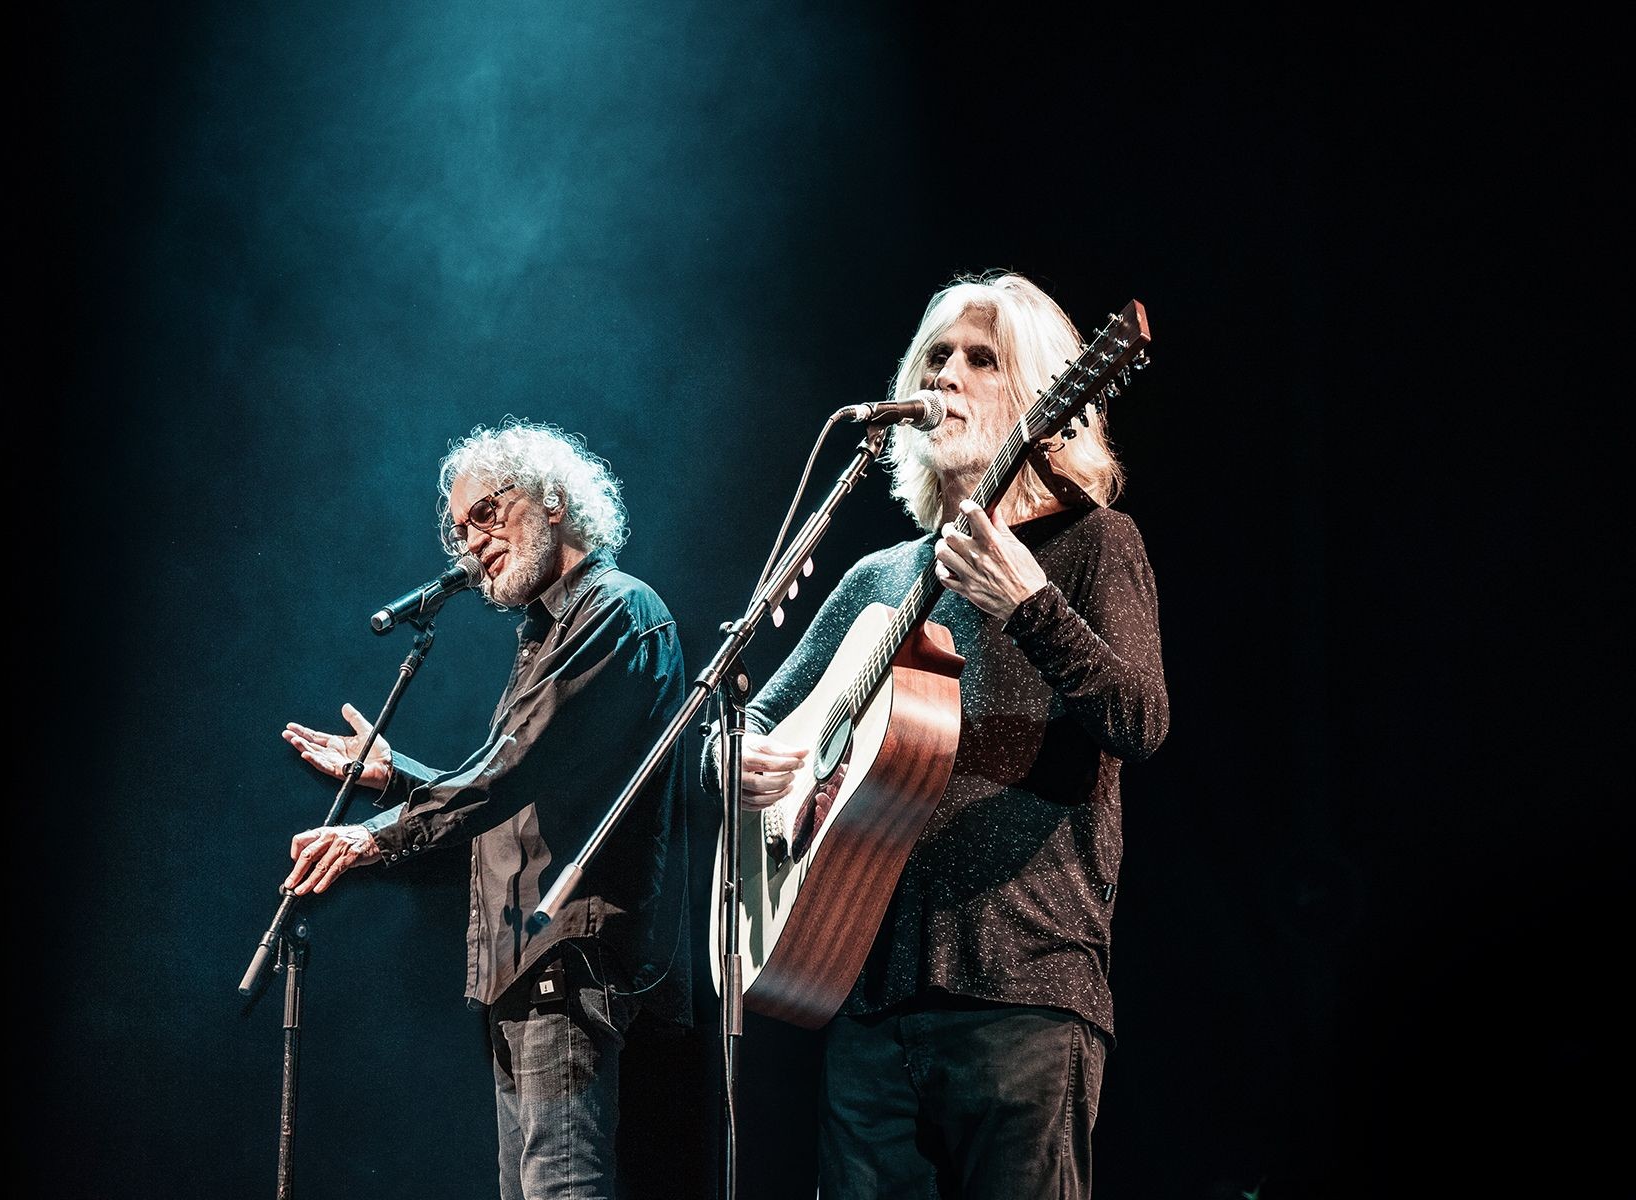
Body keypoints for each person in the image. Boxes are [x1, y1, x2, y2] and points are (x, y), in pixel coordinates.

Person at [721, 273, 1169, 1198]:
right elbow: (753, 719)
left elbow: (1141, 721)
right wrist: (741, 760)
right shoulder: (882, 577)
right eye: (935, 358)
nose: (949, 377)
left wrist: (1032, 606)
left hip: (1025, 992)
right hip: (865, 986)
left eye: (981, 359)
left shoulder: (1095, 544)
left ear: (1045, 395)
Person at [282, 419, 690, 1200]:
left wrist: (377, 837)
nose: (471, 542)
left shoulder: (617, 612)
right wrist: (395, 776)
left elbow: (507, 770)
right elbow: (512, 791)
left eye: (489, 513)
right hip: (524, 973)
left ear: (555, 500)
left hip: (567, 967)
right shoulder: (548, 630)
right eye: (460, 528)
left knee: (560, 1188)